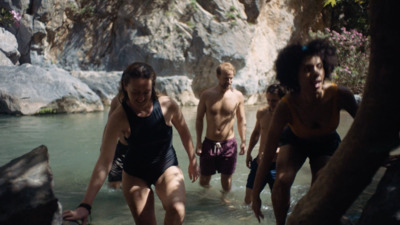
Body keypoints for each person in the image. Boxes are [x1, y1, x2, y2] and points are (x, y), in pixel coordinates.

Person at [63, 62, 199, 225]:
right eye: (135, 92)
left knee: (177, 210)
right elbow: (104, 162)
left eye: (146, 92)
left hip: (166, 165)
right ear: (125, 86)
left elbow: (184, 131)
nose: (141, 97)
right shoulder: (119, 117)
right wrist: (85, 205)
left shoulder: (167, 105)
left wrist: (192, 159)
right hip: (135, 173)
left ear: (153, 87)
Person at [252, 39, 358, 225]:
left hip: (327, 142)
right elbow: (268, 152)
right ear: (295, 75)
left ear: (326, 67)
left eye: (319, 66)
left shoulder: (341, 95)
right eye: (308, 69)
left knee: (320, 183)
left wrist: (380, 155)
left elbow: (365, 127)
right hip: (295, 141)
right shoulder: (286, 106)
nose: (315, 73)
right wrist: (255, 194)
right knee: (282, 181)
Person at [195, 62, 246, 195]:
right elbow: (199, 119)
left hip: (228, 143)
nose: (228, 81)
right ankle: (208, 196)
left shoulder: (237, 96)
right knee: (203, 180)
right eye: (225, 78)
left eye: (231, 78)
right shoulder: (206, 95)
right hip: (209, 142)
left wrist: (243, 142)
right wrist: (199, 143)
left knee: (226, 180)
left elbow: (241, 120)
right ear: (218, 76)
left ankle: (224, 200)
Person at [244, 84, 286, 205]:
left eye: (274, 101)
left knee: (279, 202)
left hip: (276, 165)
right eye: (268, 100)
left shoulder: (287, 117)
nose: (270, 103)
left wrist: (277, 150)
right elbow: (256, 133)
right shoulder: (262, 112)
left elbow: (291, 141)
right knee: (248, 200)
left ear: (282, 99)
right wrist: (249, 153)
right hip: (259, 162)